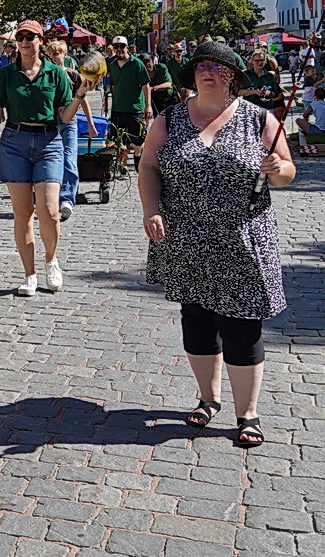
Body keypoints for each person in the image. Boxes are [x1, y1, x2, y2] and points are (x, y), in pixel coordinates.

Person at [139, 40, 295, 449]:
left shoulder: (258, 117)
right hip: (185, 238)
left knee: (242, 327)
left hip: (243, 239)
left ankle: (248, 413)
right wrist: (151, 209)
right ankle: (209, 399)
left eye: (221, 67)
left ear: (234, 77)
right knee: (198, 322)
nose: (209, 72)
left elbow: (286, 171)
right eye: (203, 65)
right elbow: (149, 166)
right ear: (192, 74)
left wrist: (278, 169)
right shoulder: (168, 119)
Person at [0, 21, 74, 296]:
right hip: (15, 142)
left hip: (48, 142)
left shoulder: (55, 74)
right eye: (19, 37)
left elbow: (64, 118)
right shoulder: (6, 75)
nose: (24, 41)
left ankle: (51, 260)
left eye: (29, 37)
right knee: (23, 213)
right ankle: (29, 275)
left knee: (50, 211)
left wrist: (80, 95)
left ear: (40, 41)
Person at [45, 38, 92, 224]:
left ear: (65, 55)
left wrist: (90, 123)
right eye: (51, 54)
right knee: (49, 162)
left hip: (70, 123)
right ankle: (50, 197)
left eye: (57, 53)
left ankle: (67, 201)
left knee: (69, 160)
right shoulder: (46, 74)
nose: (54, 57)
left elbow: (83, 99)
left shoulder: (73, 75)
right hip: (50, 123)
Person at [103, 36, 149, 168]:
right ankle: (123, 167)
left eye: (122, 46)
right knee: (118, 139)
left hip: (135, 108)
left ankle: (137, 154)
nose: (119, 49)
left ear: (127, 48)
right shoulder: (112, 65)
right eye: (116, 47)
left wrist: (148, 106)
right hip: (118, 107)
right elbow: (110, 85)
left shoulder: (136, 63)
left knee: (138, 140)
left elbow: (146, 86)